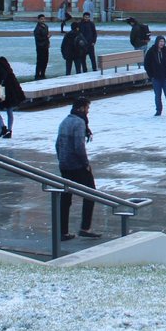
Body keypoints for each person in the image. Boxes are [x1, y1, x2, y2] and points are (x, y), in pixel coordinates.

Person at [55, 97, 101, 241]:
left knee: (66, 197)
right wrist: (85, 164)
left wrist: (61, 159)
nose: (88, 111)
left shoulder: (65, 121)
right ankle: (85, 227)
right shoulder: (79, 123)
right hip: (77, 165)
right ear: (81, 108)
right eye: (87, 108)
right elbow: (79, 147)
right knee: (90, 193)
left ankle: (63, 231)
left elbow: (57, 144)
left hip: (65, 165)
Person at [144, 36, 166, 116]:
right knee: (158, 95)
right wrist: (151, 74)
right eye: (160, 41)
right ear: (157, 42)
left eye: (163, 41)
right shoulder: (151, 51)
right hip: (156, 77)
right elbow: (147, 64)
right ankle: (158, 110)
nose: (162, 43)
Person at [0, 57, 26, 138]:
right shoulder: (9, 72)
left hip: (3, 90)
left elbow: (1, 76)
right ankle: (9, 129)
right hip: (11, 92)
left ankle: (2, 127)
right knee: (9, 111)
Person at [33, 15, 51, 80]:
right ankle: (37, 75)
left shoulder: (46, 26)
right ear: (38, 20)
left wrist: (48, 42)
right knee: (40, 61)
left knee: (45, 61)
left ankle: (43, 74)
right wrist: (47, 37)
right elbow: (38, 38)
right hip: (40, 47)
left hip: (45, 46)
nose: (43, 20)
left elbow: (47, 36)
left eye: (43, 19)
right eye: (41, 19)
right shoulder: (37, 28)